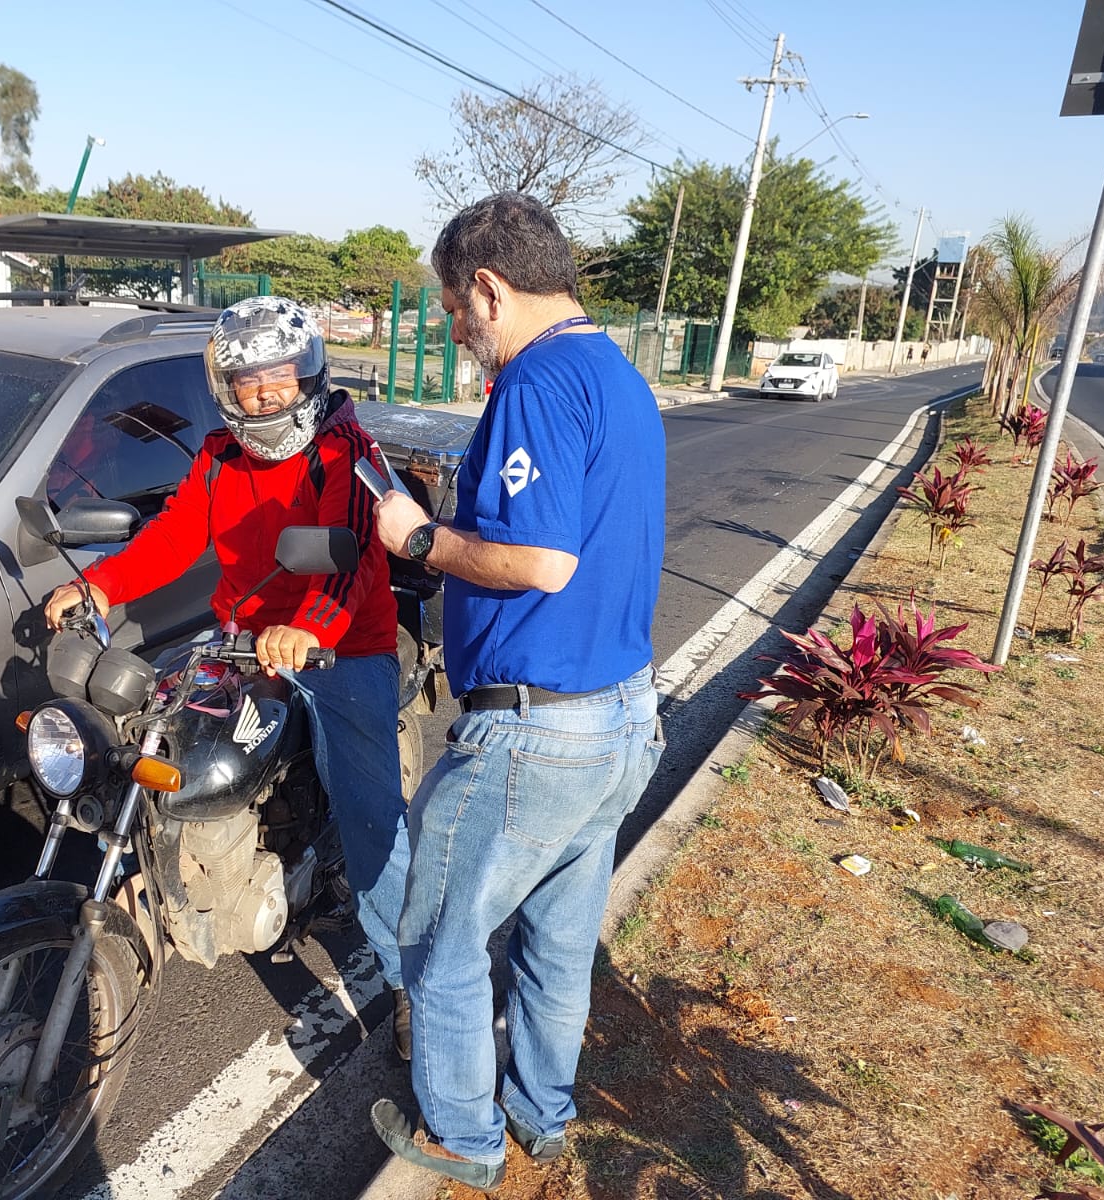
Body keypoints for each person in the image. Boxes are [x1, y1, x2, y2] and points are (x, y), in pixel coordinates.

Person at [368, 193, 666, 1191]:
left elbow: (538, 561)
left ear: (491, 288)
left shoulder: (533, 382)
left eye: (456, 306)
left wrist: (418, 537)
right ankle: (542, 1112)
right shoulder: (615, 374)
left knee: (440, 935)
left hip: (538, 735)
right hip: (622, 716)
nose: (455, 327)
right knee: (556, 941)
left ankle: (463, 1135)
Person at [42, 296, 415, 1059]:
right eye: (250, 381)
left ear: (306, 373)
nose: (266, 393)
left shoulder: (345, 453)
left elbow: (347, 559)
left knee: (376, 824)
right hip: (243, 637)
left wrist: (306, 629)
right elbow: (174, 537)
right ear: (227, 388)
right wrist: (101, 588)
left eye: (280, 375)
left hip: (344, 648)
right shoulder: (219, 455)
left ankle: (415, 983)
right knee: (155, 743)